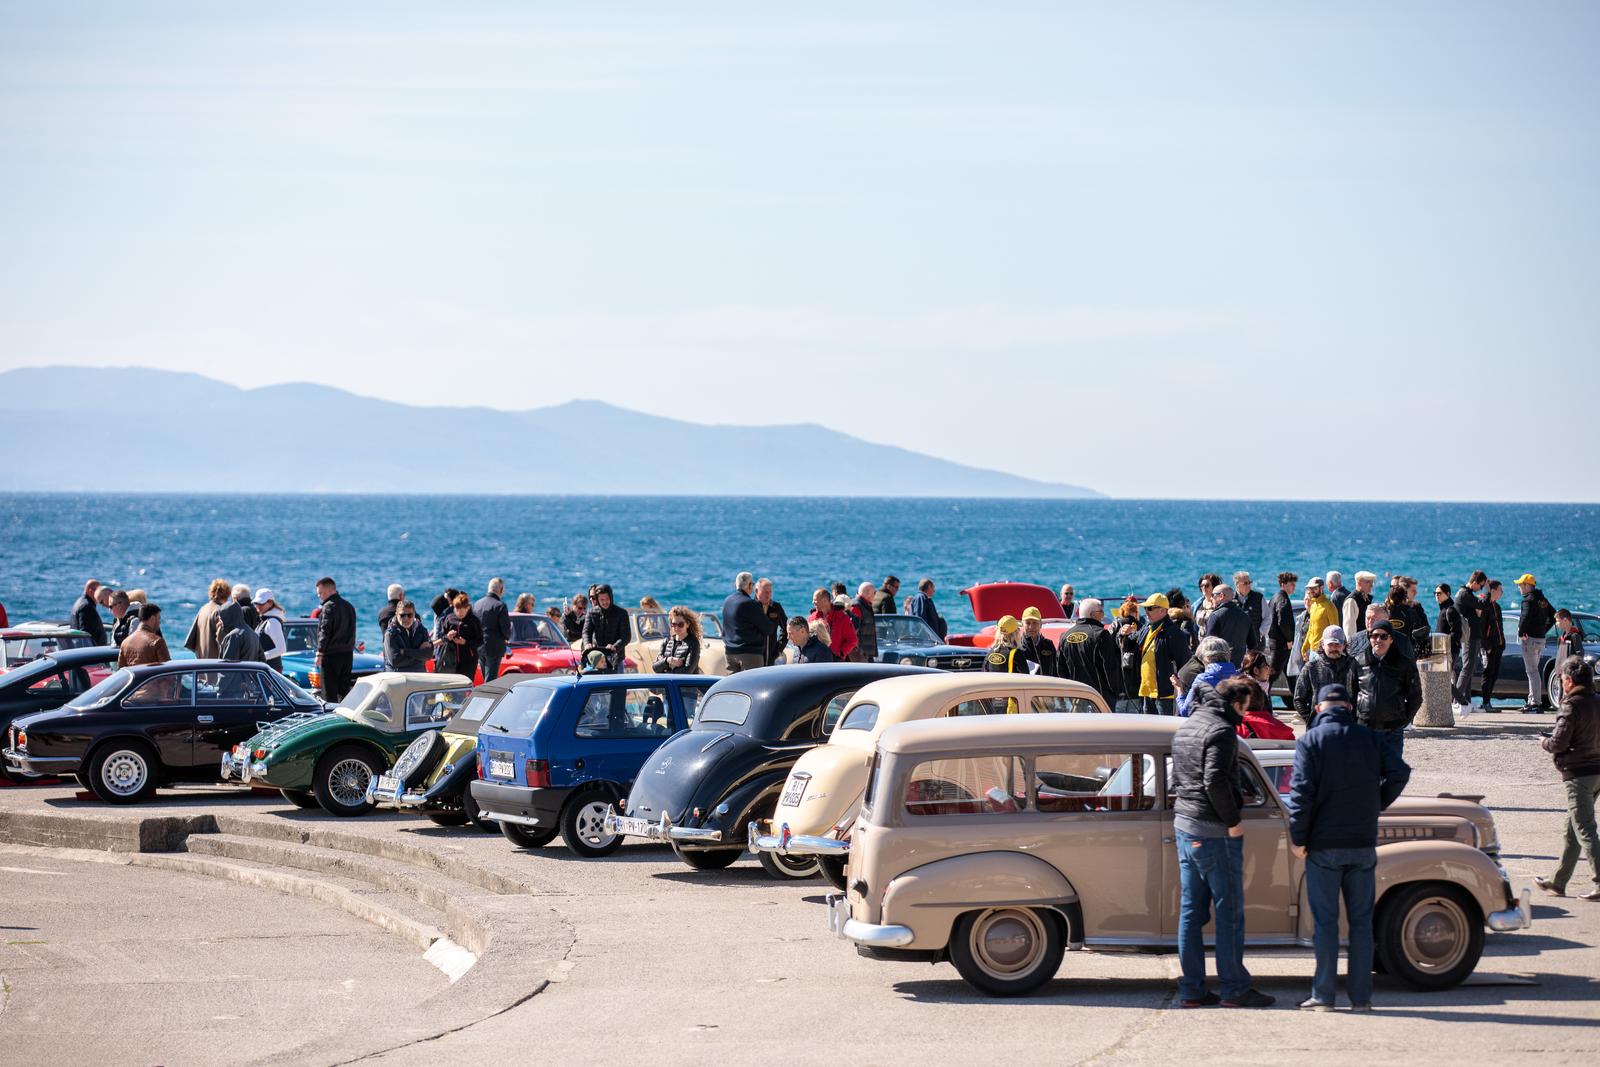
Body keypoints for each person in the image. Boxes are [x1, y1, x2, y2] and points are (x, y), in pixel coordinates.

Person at [1289, 682, 1411, 1012]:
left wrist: (1299, 838)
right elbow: (1400, 772)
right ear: (1348, 708)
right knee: (1361, 924)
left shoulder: (1310, 741)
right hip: (1361, 842)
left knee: (1326, 924)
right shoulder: (1370, 739)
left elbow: (1301, 796)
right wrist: (1377, 803)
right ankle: (1361, 998)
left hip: (1323, 846)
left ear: (1318, 710)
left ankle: (1324, 996)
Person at [1170, 674, 1274, 1009]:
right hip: (1213, 830)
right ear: (1234, 702)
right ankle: (1233, 987)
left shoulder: (1188, 723)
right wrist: (1232, 821)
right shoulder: (1222, 731)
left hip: (1185, 826)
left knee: (1191, 913)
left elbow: (1181, 777)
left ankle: (1192, 989)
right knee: (1229, 912)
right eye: (1244, 707)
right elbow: (1214, 779)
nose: (1246, 714)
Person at [1533, 658, 1600, 901]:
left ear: (1569, 681)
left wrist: (1544, 742)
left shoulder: (1571, 706)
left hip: (1578, 774)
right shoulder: (1596, 701)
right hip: (1595, 772)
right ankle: (1559, 882)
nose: (1561, 684)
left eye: (1562, 680)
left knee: (1584, 830)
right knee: (1572, 830)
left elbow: (1558, 743)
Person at [1352, 621, 1422, 758]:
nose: (1378, 640)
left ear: (1391, 639)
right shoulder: (1358, 662)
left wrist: (1403, 720)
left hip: (1392, 730)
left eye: (1383, 636)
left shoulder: (1404, 664)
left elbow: (1416, 697)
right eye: (1374, 636)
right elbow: (1350, 694)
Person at [1135, 594, 1190, 716]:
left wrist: (1180, 688)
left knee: (1166, 730)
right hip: (1146, 691)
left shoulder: (1174, 634)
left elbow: (1185, 663)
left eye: (1150, 608)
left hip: (1166, 694)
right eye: (1145, 608)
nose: (1146, 612)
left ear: (1162, 611)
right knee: (1149, 731)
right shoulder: (1147, 628)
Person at [1058, 598, 1119, 704]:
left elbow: (1060, 668)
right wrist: (1116, 690)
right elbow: (1110, 666)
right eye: (1101, 611)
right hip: (1100, 696)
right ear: (1093, 614)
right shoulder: (1101, 634)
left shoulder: (1064, 636)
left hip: (1076, 695)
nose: (1103, 615)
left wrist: (1068, 693)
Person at [1294, 627, 1359, 727]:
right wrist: (1311, 720)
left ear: (1344, 645)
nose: (1334, 648)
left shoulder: (1353, 665)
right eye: (1330, 645)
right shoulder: (1311, 667)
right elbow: (1298, 699)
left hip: (1347, 727)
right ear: (1323, 645)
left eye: (1337, 644)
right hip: (1318, 728)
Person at [1517, 575, 1557, 712]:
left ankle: (1535, 702)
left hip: (1531, 640)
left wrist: (1521, 633)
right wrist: (1543, 630)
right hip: (1540, 639)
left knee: (1532, 671)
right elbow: (1554, 615)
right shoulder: (1542, 600)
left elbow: (1525, 618)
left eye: (1520, 585)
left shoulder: (1528, 601)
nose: (1519, 588)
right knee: (1533, 671)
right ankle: (1532, 700)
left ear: (1527, 586)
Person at [314, 576, 358, 701]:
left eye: (320, 593)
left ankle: (330, 717)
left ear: (329, 590)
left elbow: (324, 631)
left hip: (331, 655)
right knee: (344, 692)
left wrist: (319, 652)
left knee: (329, 694)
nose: (319, 596)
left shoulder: (328, 607)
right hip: (347, 654)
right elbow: (353, 631)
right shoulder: (349, 606)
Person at [722, 572, 775, 673]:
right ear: (750, 585)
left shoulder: (727, 601)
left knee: (733, 687)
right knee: (751, 686)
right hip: (749, 654)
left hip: (729, 652)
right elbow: (768, 628)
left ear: (736, 584)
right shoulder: (749, 603)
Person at [1452, 571, 1488, 711]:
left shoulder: (1466, 593)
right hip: (1470, 636)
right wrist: (1489, 591)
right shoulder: (1465, 594)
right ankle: (1457, 699)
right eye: (1481, 585)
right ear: (1474, 582)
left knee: (1469, 667)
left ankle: (1466, 701)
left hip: (1470, 635)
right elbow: (1483, 605)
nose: (1481, 588)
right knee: (1467, 667)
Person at [1177, 637, 1239, 717]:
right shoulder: (1240, 678)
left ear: (1207, 657)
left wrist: (1179, 690)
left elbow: (1185, 711)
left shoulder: (1203, 679)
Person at [578, 584, 629, 673]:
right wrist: (587, 644)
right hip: (597, 658)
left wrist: (615, 647)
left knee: (617, 686)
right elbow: (586, 632)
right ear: (597, 599)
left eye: (607, 599)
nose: (605, 602)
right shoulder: (591, 612)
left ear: (611, 598)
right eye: (602, 600)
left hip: (615, 658)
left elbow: (626, 636)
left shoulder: (622, 613)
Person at [1203, 585, 1255, 666]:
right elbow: (1253, 645)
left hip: (1219, 666)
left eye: (1213, 595)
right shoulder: (1245, 616)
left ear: (1221, 596)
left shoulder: (1215, 616)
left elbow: (1209, 645)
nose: (1211, 598)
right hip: (1239, 667)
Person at [473, 578, 512, 682]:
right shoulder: (500, 605)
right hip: (494, 647)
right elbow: (505, 629)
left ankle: (485, 697)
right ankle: (489, 698)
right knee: (491, 680)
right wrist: (507, 636)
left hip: (479, 646)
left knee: (486, 677)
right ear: (501, 590)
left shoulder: (477, 604)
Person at [1112, 598, 1145, 713]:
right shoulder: (1141, 626)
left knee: (1119, 714)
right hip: (1136, 679)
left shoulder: (1115, 625)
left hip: (1118, 678)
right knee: (1134, 713)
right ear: (1136, 612)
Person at [437, 593, 482, 677]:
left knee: (465, 686)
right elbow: (442, 637)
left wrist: (465, 642)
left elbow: (480, 641)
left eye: (462, 610)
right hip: (451, 659)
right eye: (457, 610)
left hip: (469, 660)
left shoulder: (474, 621)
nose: (459, 613)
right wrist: (448, 636)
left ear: (467, 608)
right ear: (454, 608)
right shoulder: (449, 619)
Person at [185, 579, 231, 659]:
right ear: (226, 595)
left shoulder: (202, 609)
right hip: (215, 665)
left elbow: (190, 642)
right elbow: (223, 642)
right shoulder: (220, 612)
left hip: (201, 665)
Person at [1267, 572, 1298, 690]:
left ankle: (1298, 702)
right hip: (1281, 644)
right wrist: (1289, 639)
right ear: (1283, 585)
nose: (1294, 587)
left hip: (1276, 641)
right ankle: (1262, 699)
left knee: (1290, 675)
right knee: (1272, 675)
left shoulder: (1275, 598)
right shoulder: (1283, 599)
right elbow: (1283, 622)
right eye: (1291, 584)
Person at [383, 600, 433, 672]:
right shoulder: (390, 634)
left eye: (409, 615)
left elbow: (429, 654)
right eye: (402, 615)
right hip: (398, 678)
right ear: (396, 614)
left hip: (419, 676)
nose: (406, 618)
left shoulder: (421, 630)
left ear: (414, 615)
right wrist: (419, 654)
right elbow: (395, 661)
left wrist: (405, 652)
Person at [1479, 580, 1506, 711]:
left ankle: (1488, 701)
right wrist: (1486, 646)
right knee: (1487, 674)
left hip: (1498, 646)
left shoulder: (1497, 607)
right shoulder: (1486, 606)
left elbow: (1500, 628)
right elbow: (1481, 629)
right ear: (1493, 590)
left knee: (1494, 674)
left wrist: (1502, 644)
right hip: (1489, 647)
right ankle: (1485, 702)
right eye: (1500, 590)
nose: (1502, 592)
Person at [810, 588, 858, 662]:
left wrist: (841, 653)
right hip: (816, 658)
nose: (813, 602)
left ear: (825, 601)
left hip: (835, 660)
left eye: (815, 600)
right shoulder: (812, 617)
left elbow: (852, 639)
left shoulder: (842, 617)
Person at [652, 606, 702, 673]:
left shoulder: (693, 643)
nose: (677, 627)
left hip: (686, 683)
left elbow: (688, 671)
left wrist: (666, 673)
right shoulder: (666, 641)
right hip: (668, 683)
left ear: (687, 624)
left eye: (680, 624)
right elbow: (655, 668)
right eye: (674, 624)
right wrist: (668, 660)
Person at [1300, 577, 1338, 664]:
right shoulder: (1313, 606)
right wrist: (1305, 646)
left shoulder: (1329, 606)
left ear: (1321, 588)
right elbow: (1311, 628)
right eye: (1310, 588)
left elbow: (1335, 630)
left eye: (1314, 588)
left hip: (1323, 652)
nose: (1312, 590)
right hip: (1313, 651)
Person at [1017, 607, 1058, 677]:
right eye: (1028, 623)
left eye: (1034, 623)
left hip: (1047, 686)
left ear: (1040, 624)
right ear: (1022, 624)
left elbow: (1056, 671)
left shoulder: (1048, 644)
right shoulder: (1017, 646)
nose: (1031, 627)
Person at [253, 588, 287, 672]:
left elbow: (281, 649)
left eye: (261, 603)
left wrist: (260, 656)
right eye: (256, 603)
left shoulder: (272, 621)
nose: (258, 606)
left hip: (270, 669)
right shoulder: (266, 619)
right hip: (266, 669)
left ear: (270, 603)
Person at [756, 578, 788, 665]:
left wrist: (779, 648)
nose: (768, 595)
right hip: (754, 654)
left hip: (772, 654)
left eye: (770, 592)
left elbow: (786, 628)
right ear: (756, 591)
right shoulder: (751, 607)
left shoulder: (776, 607)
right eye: (765, 592)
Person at [71, 579, 108, 646]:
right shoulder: (86, 606)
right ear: (90, 591)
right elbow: (84, 633)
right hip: (91, 652)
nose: (100, 593)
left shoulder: (82, 603)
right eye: (98, 590)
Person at [1234, 572, 1265, 648]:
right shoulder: (1231, 599)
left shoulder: (1259, 598)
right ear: (1237, 584)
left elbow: (1268, 617)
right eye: (1245, 583)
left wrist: (1260, 632)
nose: (1249, 585)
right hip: (1236, 644)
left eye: (1249, 582)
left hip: (1256, 643)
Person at [851, 582, 879, 663]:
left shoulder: (864, 605)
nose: (875, 595)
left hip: (866, 654)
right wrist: (860, 653)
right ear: (868, 594)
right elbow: (852, 631)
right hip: (861, 655)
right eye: (874, 593)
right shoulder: (856, 606)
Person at [1342, 572, 1377, 636]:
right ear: (1359, 583)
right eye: (1368, 582)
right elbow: (1349, 629)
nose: (1371, 585)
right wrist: (1352, 644)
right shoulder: (1351, 601)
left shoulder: (1366, 599)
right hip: (1357, 642)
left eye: (1372, 582)